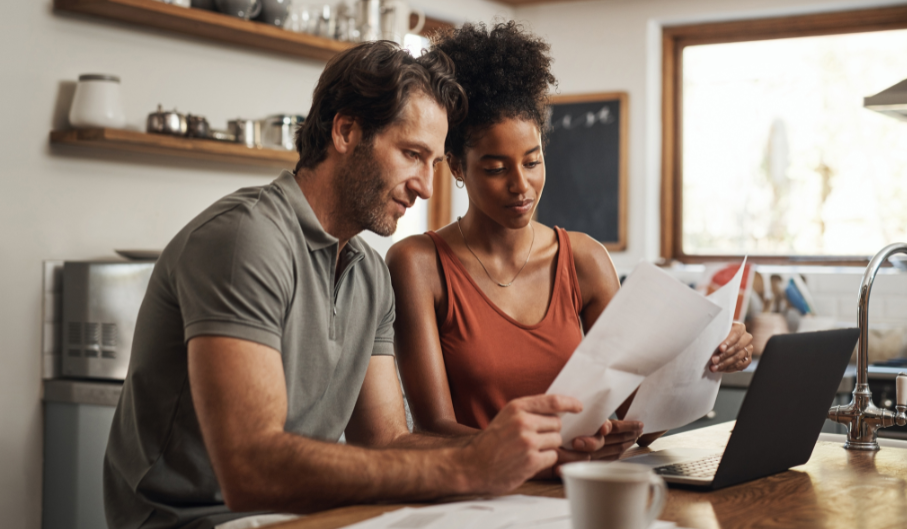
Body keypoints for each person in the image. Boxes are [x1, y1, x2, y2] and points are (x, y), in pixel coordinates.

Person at [103, 41, 606, 529]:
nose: (425, 187)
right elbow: (251, 468)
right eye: (411, 154)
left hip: (309, 516)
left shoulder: (368, 271)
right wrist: (469, 466)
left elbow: (385, 441)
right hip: (196, 520)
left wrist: (522, 450)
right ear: (346, 131)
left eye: (432, 163)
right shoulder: (246, 240)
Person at [386, 22, 754, 465]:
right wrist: (549, 457)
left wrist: (707, 358)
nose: (521, 185)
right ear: (458, 167)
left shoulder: (584, 260)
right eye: (496, 168)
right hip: (479, 498)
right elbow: (434, 430)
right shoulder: (417, 264)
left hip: (578, 493)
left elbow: (637, 421)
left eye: (533, 161)